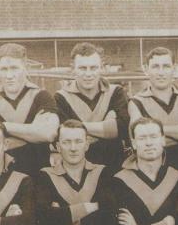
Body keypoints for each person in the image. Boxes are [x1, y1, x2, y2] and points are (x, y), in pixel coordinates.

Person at [0, 43, 59, 176]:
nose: (9, 75)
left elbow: (48, 133)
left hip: (38, 176)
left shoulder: (42, 97)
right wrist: (32, 134)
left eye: (14, 68)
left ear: (26, 68)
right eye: (4, 69)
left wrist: (2, 127)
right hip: (2, 178)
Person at [55, 42, 130, 172]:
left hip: (114, 168)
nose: (88, 74)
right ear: (73, 69)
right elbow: (62, 134)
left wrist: (77, 127)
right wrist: (106, 126)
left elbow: (123, 128)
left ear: (102, 67)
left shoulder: (116, 92)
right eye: (83, 68)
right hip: (77, 172)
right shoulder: (60, 97)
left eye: (93, 68)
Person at [128, 47, 178, 169]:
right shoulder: (136, 102)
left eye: (166, 66)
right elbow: (140, 140)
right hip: (154, 168)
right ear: (146, 69)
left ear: (174, 68)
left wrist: (154, 133)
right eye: (155, 67)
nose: (161, 72)